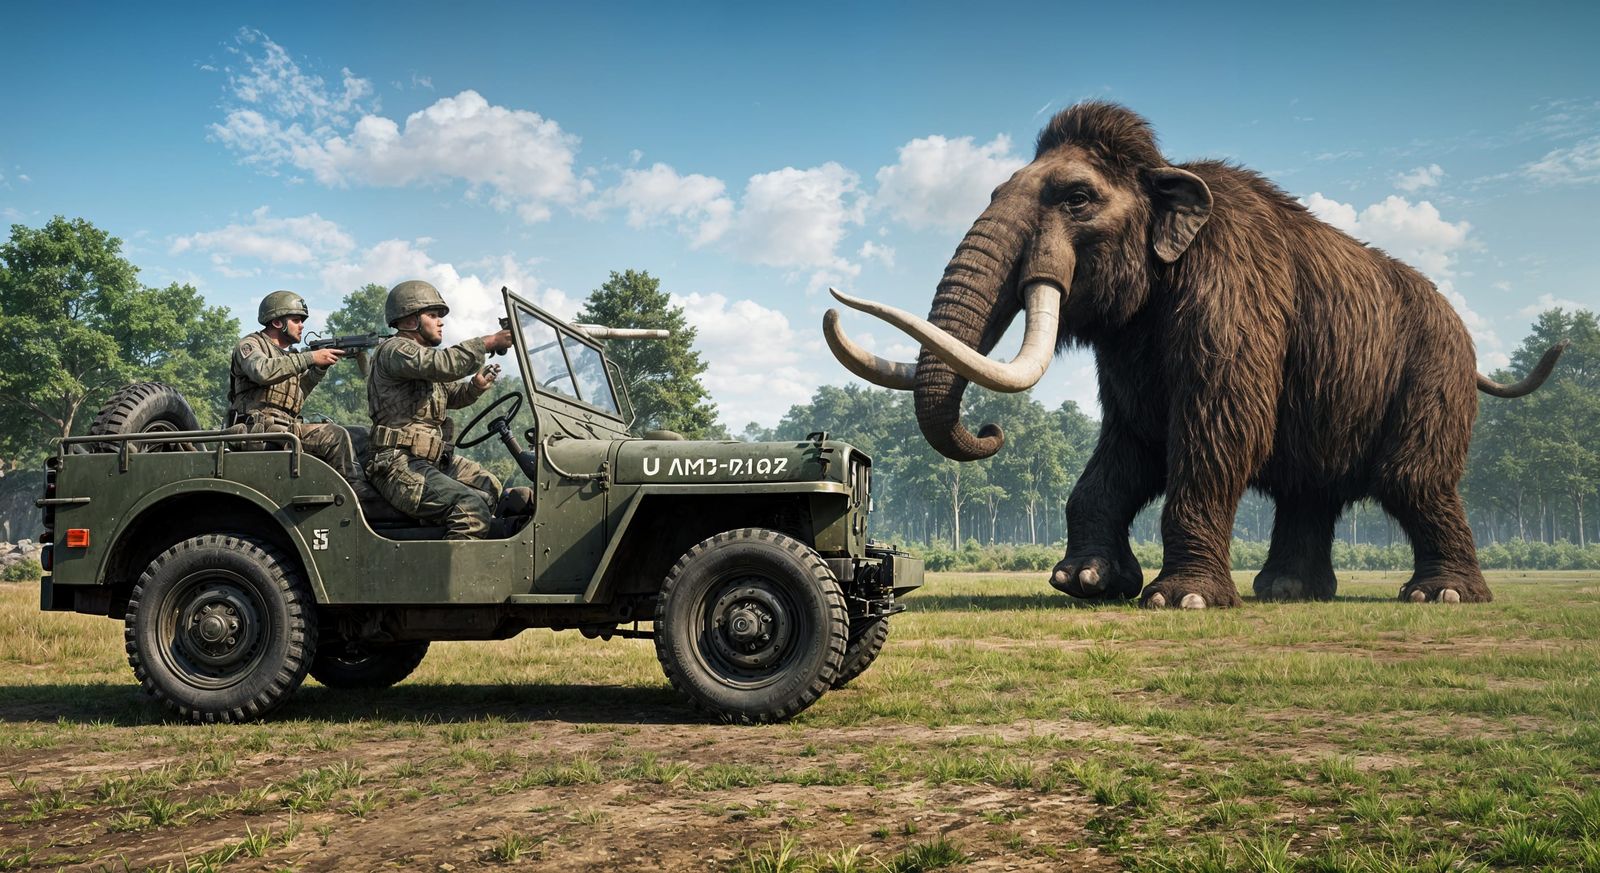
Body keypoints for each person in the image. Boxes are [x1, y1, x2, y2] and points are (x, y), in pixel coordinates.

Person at [366, 280, 515, 539]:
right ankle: (459, 579)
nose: (440, 322)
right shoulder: (396, 350)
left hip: (430, 461)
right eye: (433, 315)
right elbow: (444, 364)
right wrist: (489, 342)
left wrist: (476, 386)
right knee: (471, 511)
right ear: (411, 320)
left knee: (490, 487)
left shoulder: (421, 362)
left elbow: (450, 395)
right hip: (398, 464)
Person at [228, 290, 363, 484]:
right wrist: (310, 357)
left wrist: (319, 369)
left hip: (283, 428)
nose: (302, 326)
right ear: (277, 322)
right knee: (335, 436)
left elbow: (296, 397)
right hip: (257, 430)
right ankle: (355, 491)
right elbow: (262, 371)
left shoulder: (289, 357)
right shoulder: (250, 344)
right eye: (296, 320)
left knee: (357, 435)